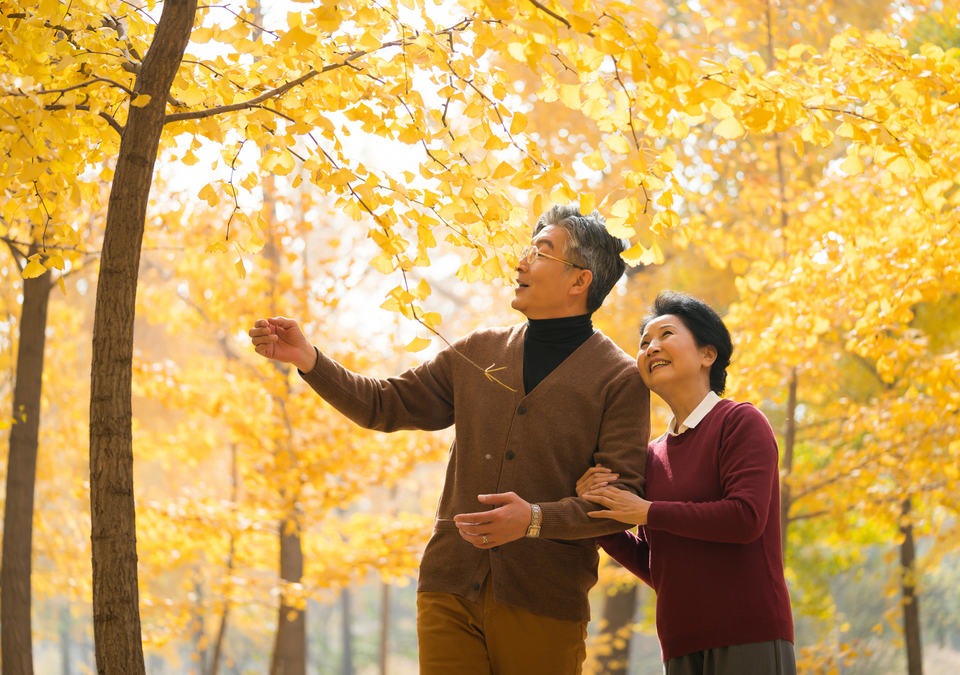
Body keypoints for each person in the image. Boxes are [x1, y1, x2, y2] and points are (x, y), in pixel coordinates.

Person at [248, 203, 650, 675]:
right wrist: (311, 359)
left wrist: (535, 519)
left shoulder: (620, 378)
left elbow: (618, 502)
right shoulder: (478, 351)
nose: (521, 262)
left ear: (579, 281)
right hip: (448, 585)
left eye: (541, 252)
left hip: (545, 598)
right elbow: (385, 404)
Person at [577, 291, 795, 675]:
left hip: (749, 633)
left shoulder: (740, 422)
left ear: (707, 354)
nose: (651, 347)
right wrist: (597, 510)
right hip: (679, 642)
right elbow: (658, 564)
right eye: (644, 342)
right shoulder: (650, 456)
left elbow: (745, 518)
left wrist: (647, 511)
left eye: (665, 335)